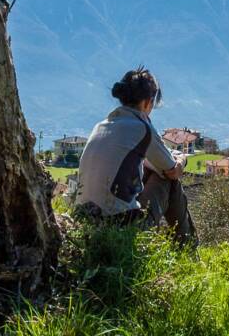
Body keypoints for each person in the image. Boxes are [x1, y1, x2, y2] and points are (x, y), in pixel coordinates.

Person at [75, 67, 197, 246]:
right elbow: (172, 171)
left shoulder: (101, 126)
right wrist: (182, 158)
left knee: (150, 171)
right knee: (168, 180)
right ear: (148, 102)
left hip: (87, 220)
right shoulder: (141, 127)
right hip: (121, 225)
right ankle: (188, 247)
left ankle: (186, 246)